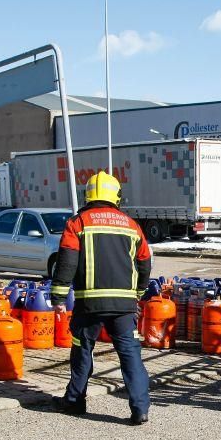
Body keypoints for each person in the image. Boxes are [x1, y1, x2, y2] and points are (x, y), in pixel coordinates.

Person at [50, 171, 152, 425]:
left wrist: (59, 297)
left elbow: (66, 262)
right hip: (124, 305)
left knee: (82, 350)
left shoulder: (78, 223)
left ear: (89, 195)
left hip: (89, 304)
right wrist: (138, 294)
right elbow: (145, 262)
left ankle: (74, 401)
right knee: (130, 355)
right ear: (116, 196)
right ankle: (140, 409)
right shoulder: (132, 225)